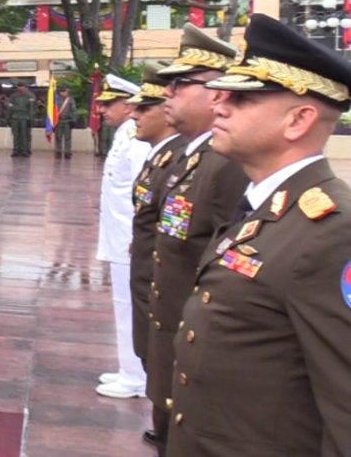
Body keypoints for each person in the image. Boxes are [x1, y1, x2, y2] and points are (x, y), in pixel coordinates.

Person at [165, 14, 351, 456]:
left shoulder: (332, 231)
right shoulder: (266, 206)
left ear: (298, 120)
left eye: (242, 98)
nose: (219, 105)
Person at [148, 24, 248, 455]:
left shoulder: (226, 165)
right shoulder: (191, 156)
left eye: (178, 84)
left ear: (215, 93)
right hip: (173, 325)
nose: (166, 93)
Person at [123, 62, 188, 446]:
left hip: (165, 283)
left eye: (142, 109)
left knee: (165, 361)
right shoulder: (164, 157)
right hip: (150, 273)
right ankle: (162, 425)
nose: (134, 115)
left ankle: (168, 430)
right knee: (153, 357)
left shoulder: (183, 159)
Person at [93, 74, 152, 400]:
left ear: (129, 105)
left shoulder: (136, 138)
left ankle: (136, 375)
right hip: (119, 236)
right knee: (123, 304)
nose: (101, 109)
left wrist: (138, 235)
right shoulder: (124, 135)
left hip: (130, 239)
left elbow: (144, 191)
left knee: (131, 305)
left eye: (108, 103)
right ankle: (128, 369)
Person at [9, 83, 34, 157]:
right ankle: (16, 150)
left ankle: (25, 150)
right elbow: (10, 107)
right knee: (15, 135)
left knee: (24, 135)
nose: (20, 89)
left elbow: (32, 108)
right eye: (19, 87)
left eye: (22, 87)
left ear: (25, 87)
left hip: (25, 117)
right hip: (15, 117)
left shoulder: (30, 96)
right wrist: (8, 118)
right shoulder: (13, 96)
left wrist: (30, 118)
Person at [54, 86, 76, 158]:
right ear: (60, 93)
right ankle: (58, 151)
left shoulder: (70, 100)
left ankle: (67, 152)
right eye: (64, 91)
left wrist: (73, 120)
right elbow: (53, 111)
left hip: (67, 121)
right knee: (58, 137)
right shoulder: (56, 100)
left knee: (67, 138)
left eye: (66, 91)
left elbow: (73, 110)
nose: (66, 93)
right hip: (58, 121)